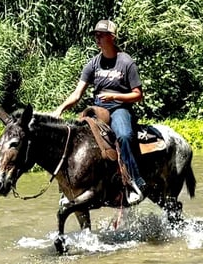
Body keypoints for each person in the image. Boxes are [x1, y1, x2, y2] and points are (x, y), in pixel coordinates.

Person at [52, 19, 147, 205]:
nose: (97, 38)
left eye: (101, 35)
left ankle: (135, 181)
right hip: (97, 109)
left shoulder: (126, 62)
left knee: (125, 135)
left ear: (112, 37)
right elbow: (77, 94)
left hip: (120, 108)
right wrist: (60, 109)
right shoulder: (93, 64)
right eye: (95, 35)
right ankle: (70, 188)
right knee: (73, 138)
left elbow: (138, 95)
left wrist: (114, 97)